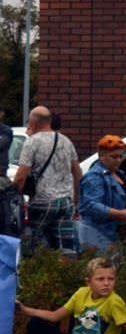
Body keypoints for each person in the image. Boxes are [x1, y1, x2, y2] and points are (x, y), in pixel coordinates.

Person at [10, 106, 82, 254]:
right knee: (65, 247)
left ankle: (40, 265)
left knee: (35, 243)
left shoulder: (32, 142)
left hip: (42, 202)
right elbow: (77, 172)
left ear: (33, 123)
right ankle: (66, 266)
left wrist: (14, 196)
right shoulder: (66, 141)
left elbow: (21, 175)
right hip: (65, 202)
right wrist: (76, 200)